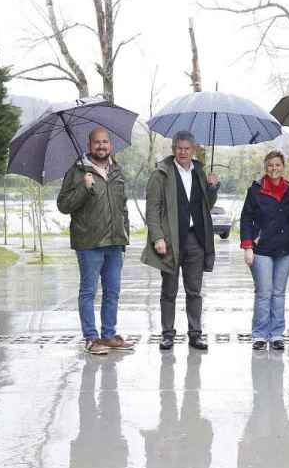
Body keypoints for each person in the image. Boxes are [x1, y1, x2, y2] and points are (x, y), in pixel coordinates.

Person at [56, 126, 134, 355]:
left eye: (105, 142)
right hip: (88, 242)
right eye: (97, 142)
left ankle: (108, 335)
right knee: (88, 291)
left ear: (110, 145)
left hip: (114, 242)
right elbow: (63, 205)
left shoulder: (117, 170)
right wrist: (84, 187)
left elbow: (123, 206)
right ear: (89, 145)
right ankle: (91, 338)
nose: (101, 146)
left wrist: (124, 236)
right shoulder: (77, 172)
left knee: (113, 291)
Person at [141, 130, 220, 351]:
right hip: (170, 241)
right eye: (179, 148)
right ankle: (167, 334)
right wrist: (157, 237)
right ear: (173, 149)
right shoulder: (161, 174)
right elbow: (152, 209)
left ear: (193, 150)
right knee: (169, 290)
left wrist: (213, 188)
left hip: (196, 239)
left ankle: (195, 334)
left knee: (194, 290)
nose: (183, 152)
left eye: (187, 148)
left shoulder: (200, 172)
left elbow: (206, 206)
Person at [240, 151, 289, 351]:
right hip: (261, 249)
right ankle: (259, 335)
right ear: (266, 167)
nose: (274, 168)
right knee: (264, 292)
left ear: (283, 167)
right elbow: (246, 219)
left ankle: (276, 335)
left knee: (279, 292)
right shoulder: (255, 191)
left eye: (277, 165)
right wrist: (248, 246)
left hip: (286, 250)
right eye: (270, 165)